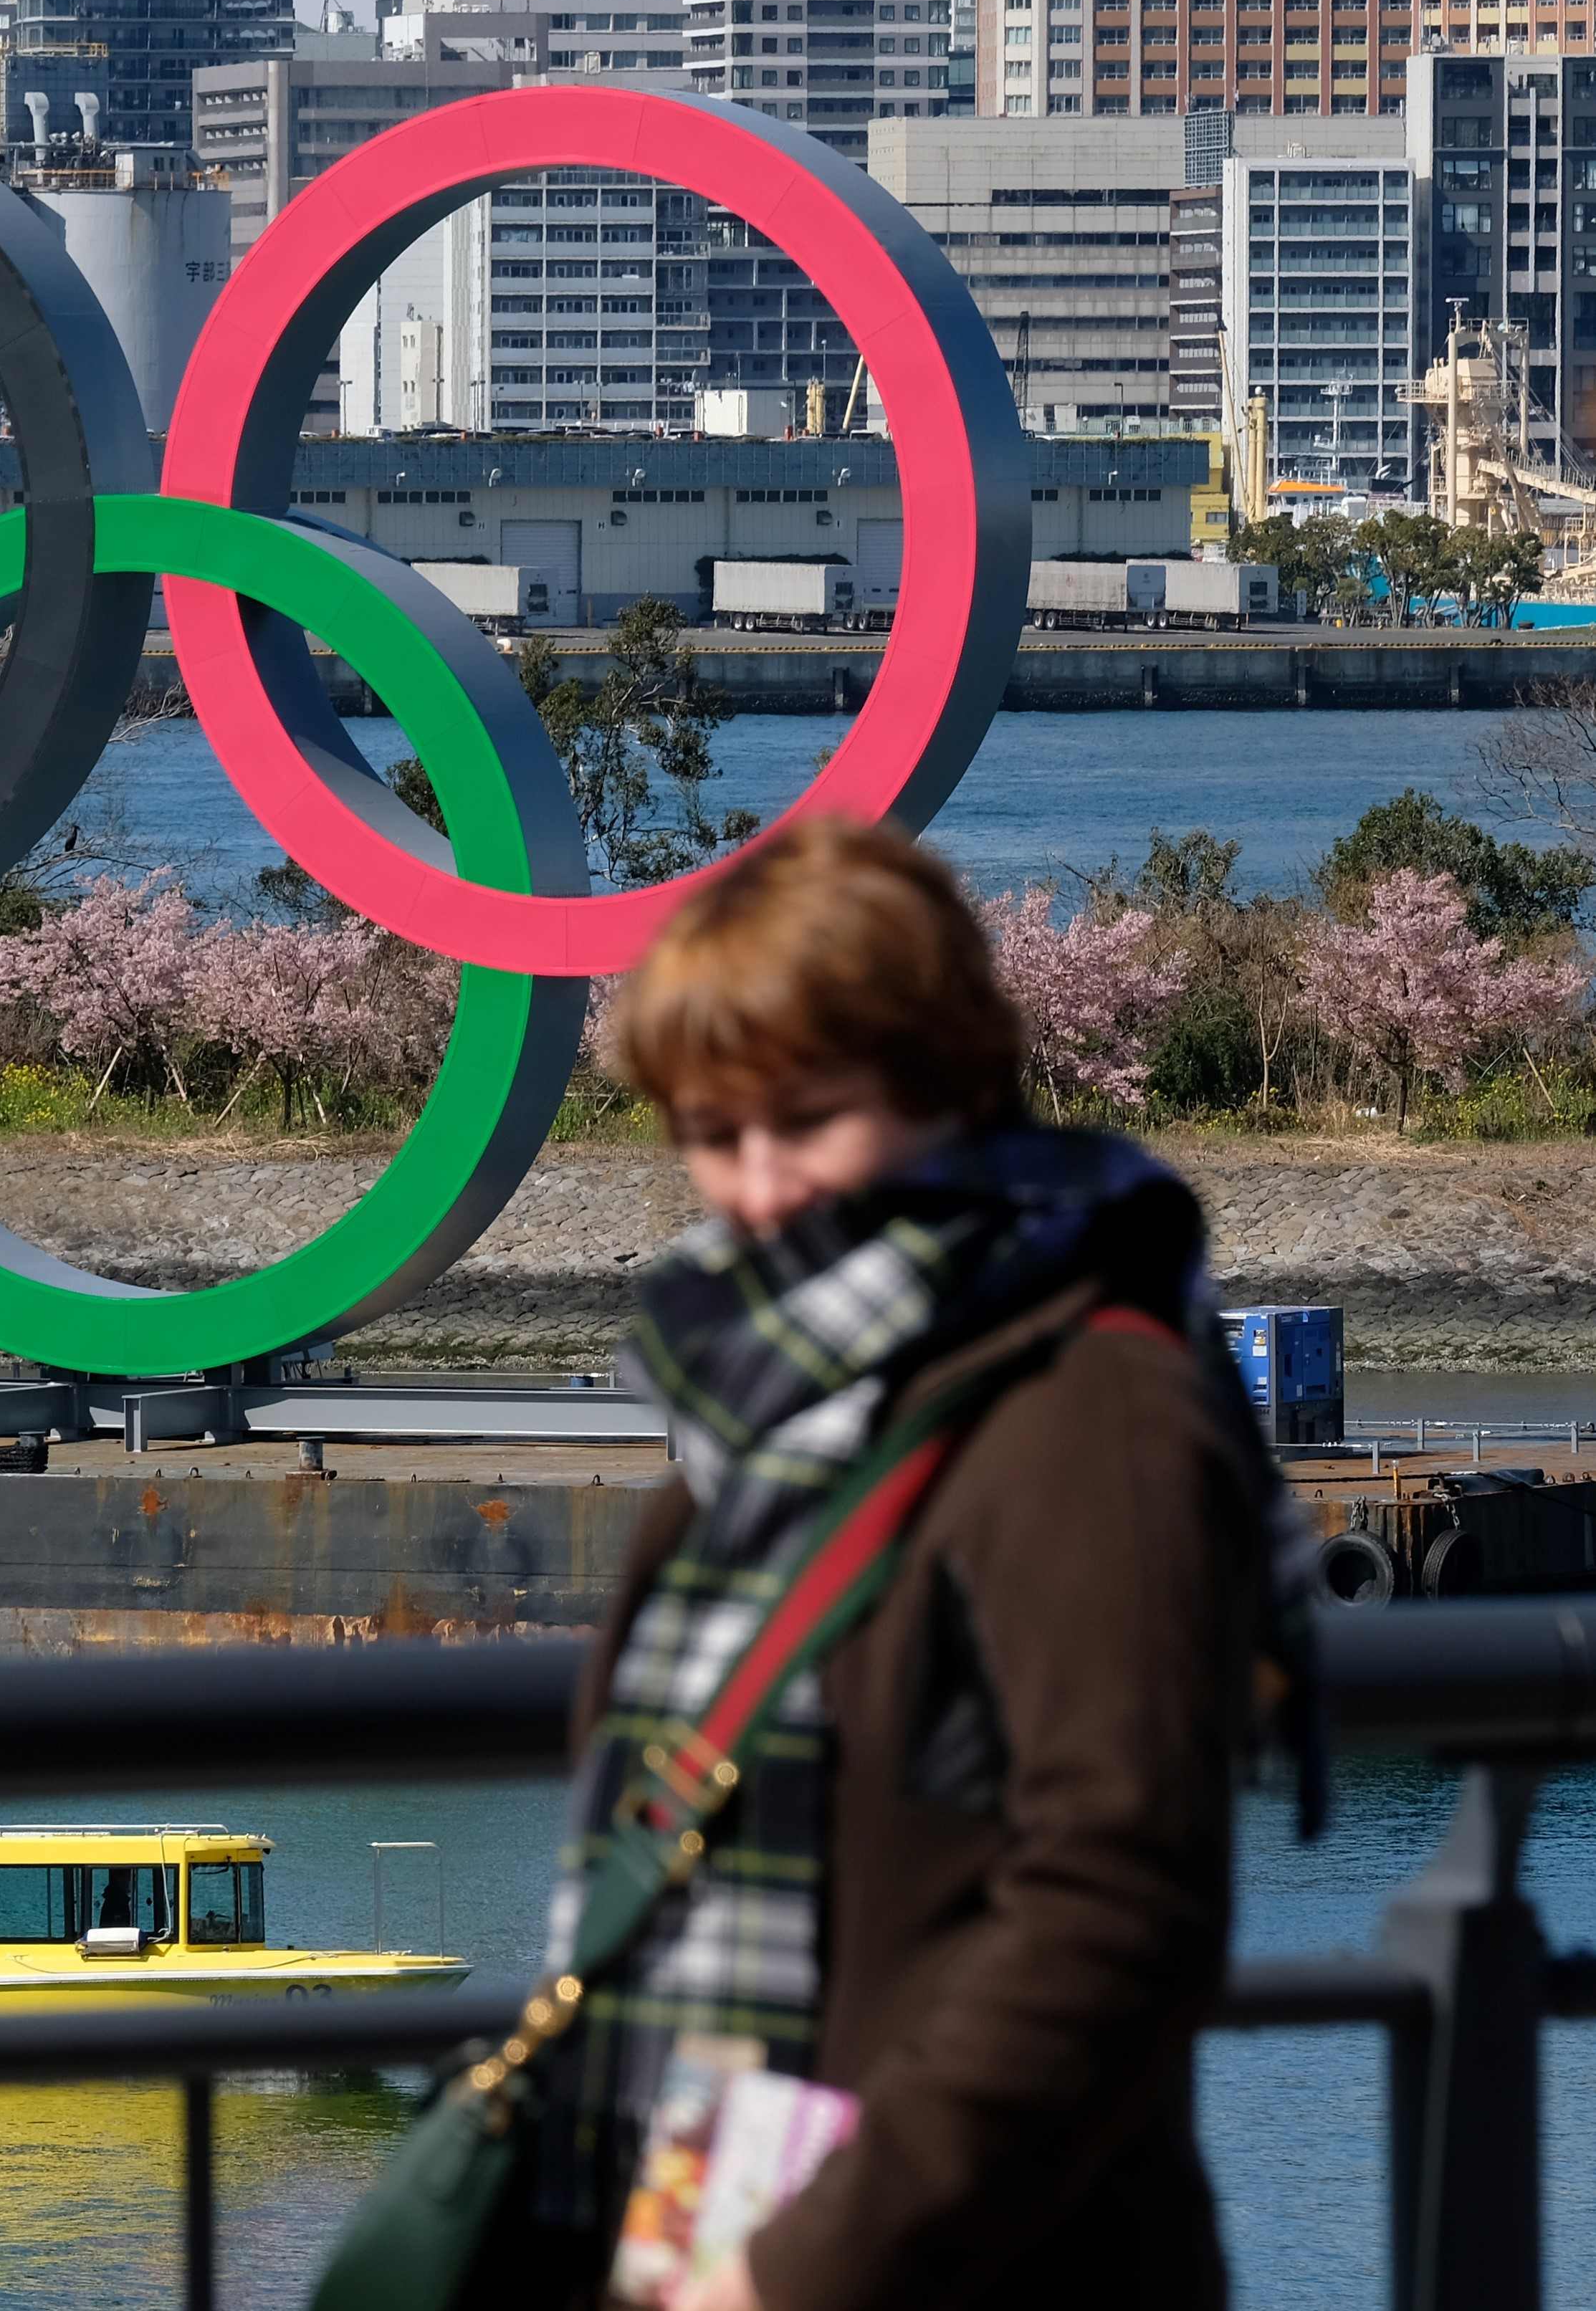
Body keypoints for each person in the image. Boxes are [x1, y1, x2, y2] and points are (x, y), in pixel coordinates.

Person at [503, 815, 1314, 2311]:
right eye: (709, 1131)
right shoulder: (761, 1414)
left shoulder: (1089, 1405)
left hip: (958, 2258)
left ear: (948, 1085)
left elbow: (1119, 1902)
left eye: (806, 1120)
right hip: (703, 2211)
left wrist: (802, 2266)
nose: (755, 1189)